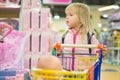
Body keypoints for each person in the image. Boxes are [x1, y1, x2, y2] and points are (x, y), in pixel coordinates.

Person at [55, 3, 107, 70]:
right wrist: (57, 50)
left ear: (81, 19)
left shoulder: (89, 36)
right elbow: (59, 52)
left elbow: (96, 52)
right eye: (66, 15)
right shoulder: (64, 35)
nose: (67, 17)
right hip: (66, 71)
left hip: (84, 73)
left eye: (71, 15)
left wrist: (101, 52)